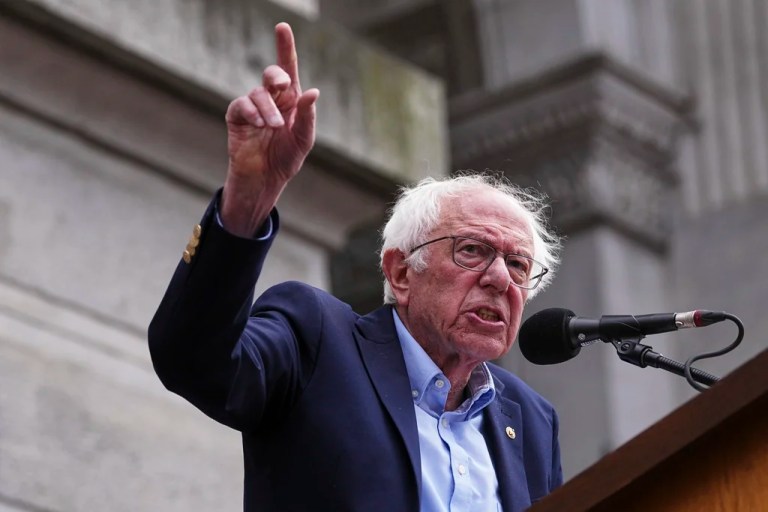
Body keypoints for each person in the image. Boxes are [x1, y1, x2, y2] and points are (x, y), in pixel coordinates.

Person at [149, 22, 563, 512]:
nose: (499, 279)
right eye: (472, 250)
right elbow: (194, 362)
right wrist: (246, 204)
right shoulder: (317, 340)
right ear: (401, 273)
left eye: (518, 265)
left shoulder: (532, 420)